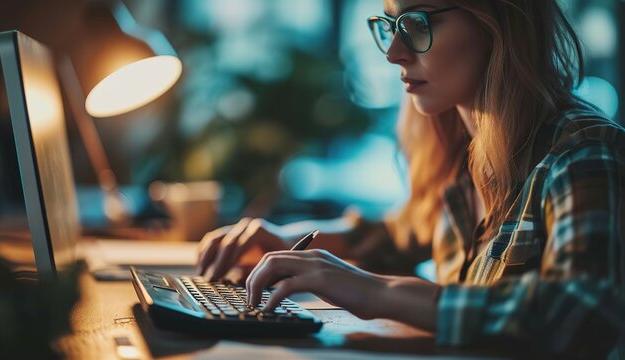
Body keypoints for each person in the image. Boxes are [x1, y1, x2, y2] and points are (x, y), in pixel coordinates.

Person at [194, 0, 625, 356]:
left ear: (499, 23)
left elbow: (584, 311)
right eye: (390, 24)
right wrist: (284, 238)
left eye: (417, 23)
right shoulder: (461, 151)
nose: (393, 52)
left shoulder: (584, 151)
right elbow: (396, 233)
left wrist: (379, 294)